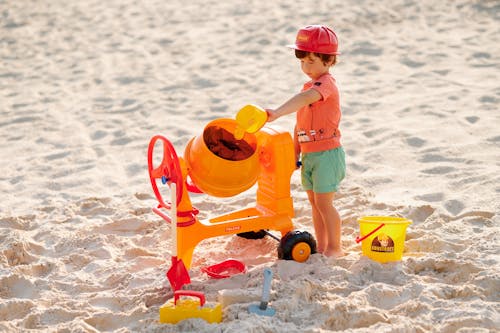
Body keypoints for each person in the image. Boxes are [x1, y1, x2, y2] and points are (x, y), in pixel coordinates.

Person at [266, 25, 346, 257]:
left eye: (311, 61)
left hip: (327, 154)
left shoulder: (326, 85)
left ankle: (335, 248)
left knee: (324, 204)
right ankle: (321, 246)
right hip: (310, 155)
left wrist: (278, 111)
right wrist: (294, 153)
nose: (306, 67)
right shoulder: (308, 86)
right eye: (302, 61)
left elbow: (305, 99)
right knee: (314, 203)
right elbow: (300, 125)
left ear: (329, 60)